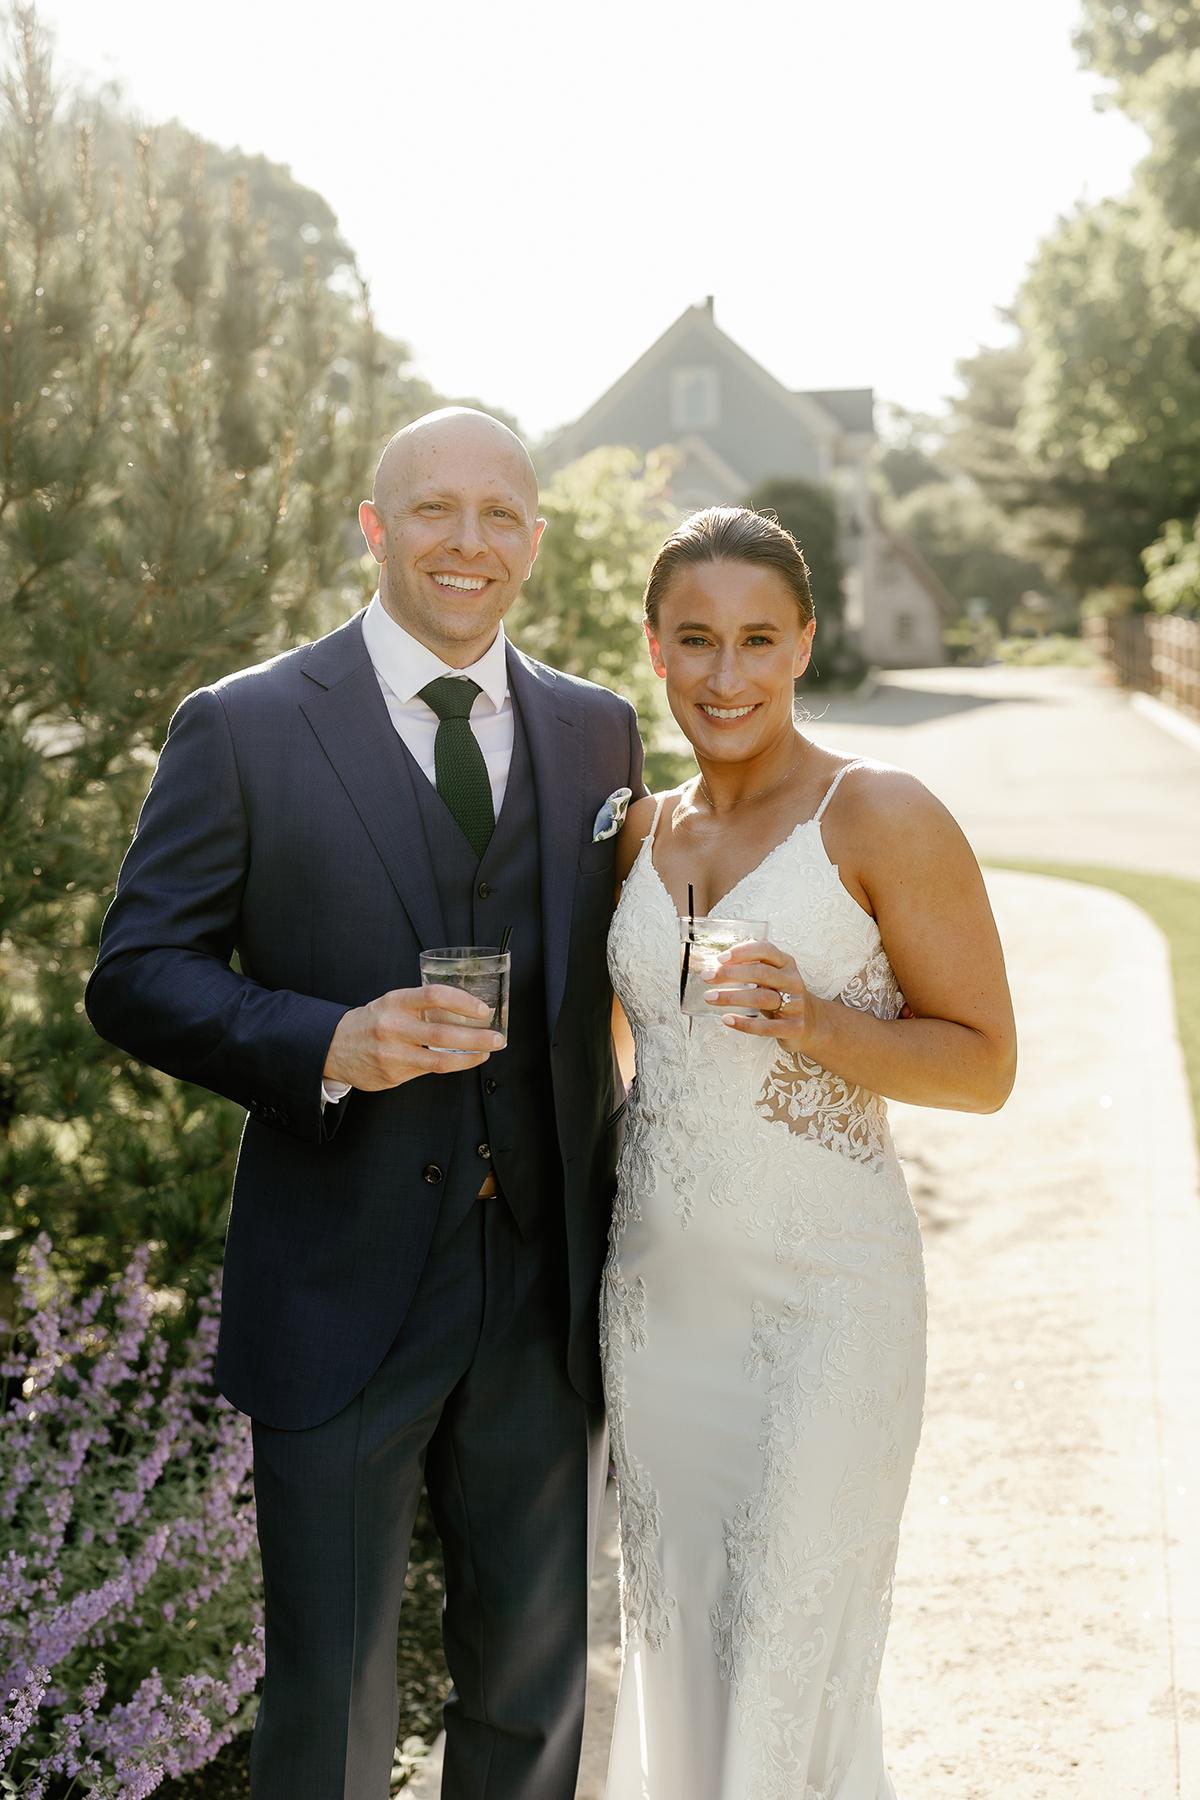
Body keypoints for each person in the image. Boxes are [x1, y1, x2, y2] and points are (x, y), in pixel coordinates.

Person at [85, 408, 644, 1800]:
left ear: (533, 537)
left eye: (502, 513)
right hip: (338, 1273)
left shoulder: (595, 730)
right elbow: (136, 974)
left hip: (541, 1284)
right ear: (374, 525)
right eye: (436, 511)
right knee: (330, 1688)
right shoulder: (248, 723)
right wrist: (329, 1037)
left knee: (534, 1676)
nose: (471, 542)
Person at [602, 506, 1016, 1800]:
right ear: (656, 650)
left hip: (827, 1303)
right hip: (661, 1304)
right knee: (683, 1658)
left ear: (806, 646)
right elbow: (625, 1055)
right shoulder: (633, 831)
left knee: (787, 1654)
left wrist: (823, 1025)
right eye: (698, 641)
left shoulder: (878, 813)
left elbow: (986, 1066)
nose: (729, 677)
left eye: (759, 641)